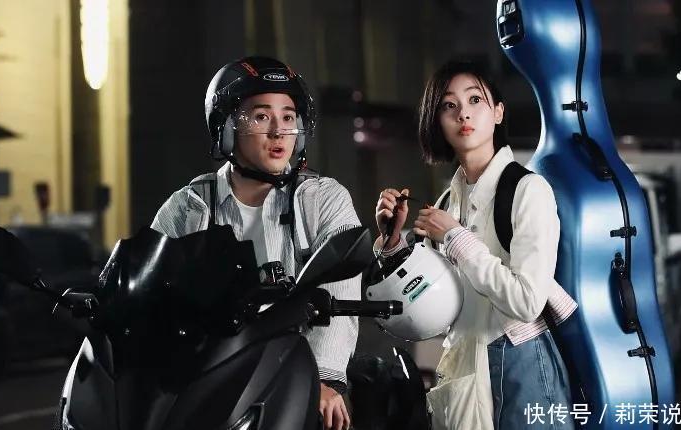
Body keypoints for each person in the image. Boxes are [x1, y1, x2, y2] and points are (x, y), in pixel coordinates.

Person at [151, 56, 358, 430]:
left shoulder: (323, 199)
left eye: (288, 117)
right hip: (204, 378)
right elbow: (148, 279)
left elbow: (339, 289)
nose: (279, 132)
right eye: (261, 116)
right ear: (227, 127)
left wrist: (323, 378)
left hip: (294, 371)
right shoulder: (188, 206)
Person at [374, 59, 578, 429]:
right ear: (437, 121)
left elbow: (527, 302)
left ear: (498, 112)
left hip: (519, 363)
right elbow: (430, 308)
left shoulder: (527, 190)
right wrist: (392, 244)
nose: (463, 114)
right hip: (464, 366)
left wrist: (455, 238)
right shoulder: (446, 204)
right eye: (449, 105)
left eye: (474, 100)